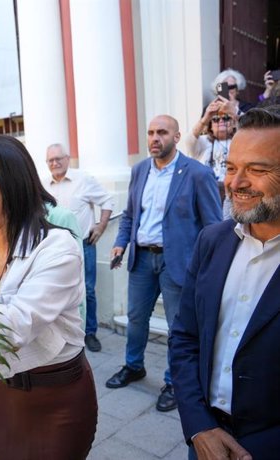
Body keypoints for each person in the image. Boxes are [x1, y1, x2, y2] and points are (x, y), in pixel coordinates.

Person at [0, 135, 96, 458]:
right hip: (2, 394)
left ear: (13, 174)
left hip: (57, 399)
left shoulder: (57, 247)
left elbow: (13, 327)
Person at [170, 106, 280, 460]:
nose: (236, 183)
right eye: (232, 168)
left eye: (257, 170)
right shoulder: (211, 240)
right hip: (204, 441)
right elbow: (185, 336)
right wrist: (198, 426)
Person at [106, 115, 222, 413]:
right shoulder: (140, 170)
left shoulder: (197, 173)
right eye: (150, 133)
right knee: (135, 319)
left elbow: (212, 226)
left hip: (178, 264)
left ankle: (174, 382)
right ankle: (134, 366)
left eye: (162, 132)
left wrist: (205, 266)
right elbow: (130, 214)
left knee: (177, 328)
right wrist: (121, 242)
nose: (155, 138)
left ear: (177, 136)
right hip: (142, 259)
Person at [46, 143, 114, 352]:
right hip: (53, 249)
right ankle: (64, 333)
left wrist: (101, 226)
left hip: (83, 245)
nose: (55, 163)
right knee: (58, 292)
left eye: (59, 158)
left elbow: (108, 200)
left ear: (68, 159)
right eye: (51, 160)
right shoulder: (43, 185)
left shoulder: (83, 179)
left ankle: (90, 332)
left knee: (88, 290)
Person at [184, 96, 238, 217]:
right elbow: (189, 140)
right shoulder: (204, 142)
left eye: (226, 118)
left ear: (233, 123)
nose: (221, 122)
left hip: (231, 193)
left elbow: (249, 132)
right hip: (206, 191)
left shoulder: (238, 141)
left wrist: (235, 112)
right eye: (216, 120)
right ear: (210, 126)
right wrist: (205, 118)